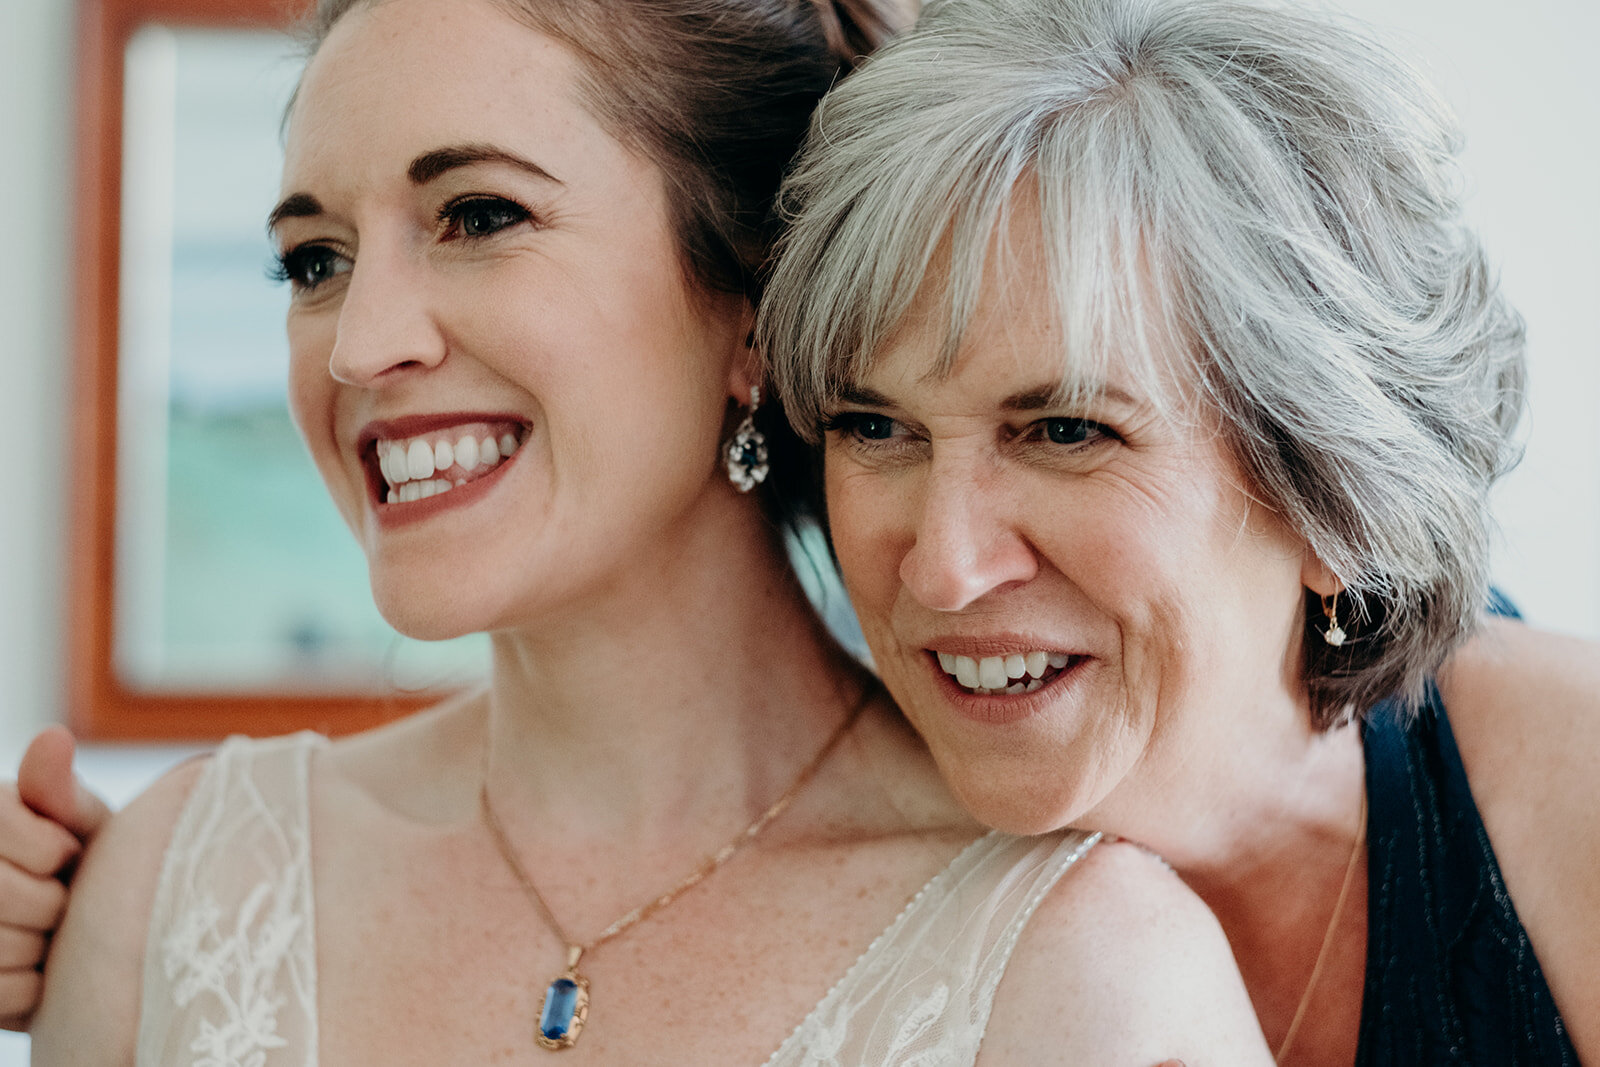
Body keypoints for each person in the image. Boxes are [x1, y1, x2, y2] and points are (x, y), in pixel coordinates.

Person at [15, 0, 1277, 1063]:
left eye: (478, 216)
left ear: (750, 304)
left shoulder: (1079, 974)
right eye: (314, 260)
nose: (359, 344)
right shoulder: (178, 893)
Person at [758, 0, 1600, 1062]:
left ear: (1335, 493)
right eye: (875, 426)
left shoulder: (1574, 796)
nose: (943, 565)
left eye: (1067, 430)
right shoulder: (792, 895)